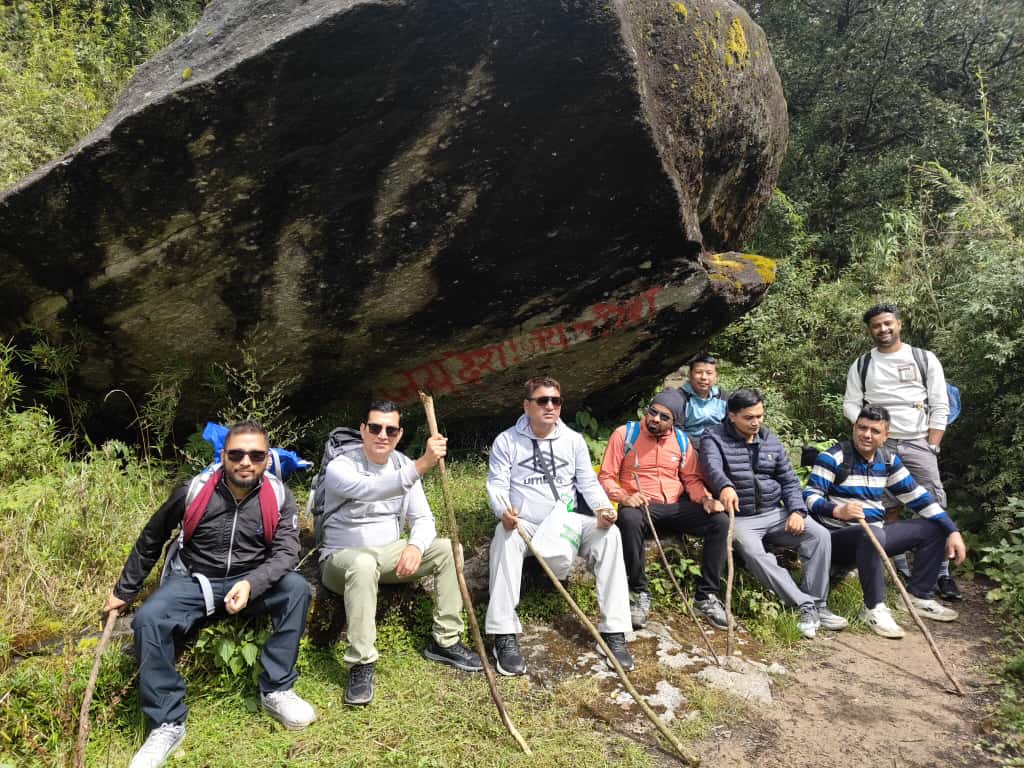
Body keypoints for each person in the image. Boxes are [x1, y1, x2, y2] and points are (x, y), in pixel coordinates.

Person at [103, 421, 315, 768]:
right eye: (237, 454)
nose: (245, 461)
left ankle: (277, 689)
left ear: (266, 459)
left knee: (296, 589)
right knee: (149, 619)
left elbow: (286, 552)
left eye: (256, 455)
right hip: (194, 581)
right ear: (223, 455)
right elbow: (152, 536)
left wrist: (252, 584)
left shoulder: (278, 495)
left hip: (250, 582)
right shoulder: (193, 490)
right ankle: (167, 722)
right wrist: (124, 590)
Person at [319, 400, 482, 706]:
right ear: (363, 430)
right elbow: (371, 490)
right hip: (342, 557)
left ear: (399, 434)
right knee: (363, 564)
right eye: (375, 428)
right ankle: (361, 662)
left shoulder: (401, 464)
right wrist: (422, 464)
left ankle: (445, 640)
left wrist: (415, 546)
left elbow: (423, 519)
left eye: (390, 430)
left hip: (387, 555)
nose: (383, 435)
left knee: (448, 549)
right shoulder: (340, 467)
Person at [485, 376, 633, 675]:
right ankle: (503, 633)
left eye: (556, 400)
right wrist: (504, 511)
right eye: (542, 400)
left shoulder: (573, 440)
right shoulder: (507, 441)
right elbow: (497, 485)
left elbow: (588, 483)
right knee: (504, 535)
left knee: (610, 535)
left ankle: (614, 632)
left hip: (566, 520)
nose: (550, 406)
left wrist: (604, 510)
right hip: (525, 523)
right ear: (527, 406)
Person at [804, 405, 965, 638]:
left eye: (875, 431)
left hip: (875, 534)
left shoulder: (888, 461)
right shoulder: (832, 458)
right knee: (871, 534)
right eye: (862, 428)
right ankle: (874, 608)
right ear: (854, 428)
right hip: (837, 539)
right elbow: (809, 497)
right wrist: (837, 510)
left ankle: (918, 595)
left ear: (886, 436)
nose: (867, 435)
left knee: (935, 527)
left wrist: (953, 530)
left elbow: (918, 497)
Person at [699, 389, 848, 639]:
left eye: (760, 416)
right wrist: (724, 486)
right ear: (732, 416)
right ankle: (803, 605)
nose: (756, 422)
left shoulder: (770, 440)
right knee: (754, 553)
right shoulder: (713, 437)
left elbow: (789, 481)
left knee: (819, 535)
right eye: (749, 417)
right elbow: (711, 467)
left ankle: (818, 605)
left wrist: (796, 511)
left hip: (774, 512)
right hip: (741, 517)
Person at [843, 303, 961, 601]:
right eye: (876, 326)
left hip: (918, 441)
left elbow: (940, 402)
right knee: (886, 507)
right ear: (870, 330)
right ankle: (900, 571)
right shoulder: (863, 364)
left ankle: (941, 573)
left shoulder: (923, 358)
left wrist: (932, 443)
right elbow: (851, 403)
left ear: (899, 324)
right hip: (880, 446)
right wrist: (870, 433)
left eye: (887, 323)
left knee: (933, 503)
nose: (883, 329)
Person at [599, 389, 730, 630]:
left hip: (675, 506)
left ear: (674, 422)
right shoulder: (625, 434)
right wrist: (624, 497)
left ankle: (706, 596)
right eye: (652, 412)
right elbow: (606, 476)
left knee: (720, 521)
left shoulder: (681, 440)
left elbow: (691, 478)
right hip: (641, 506)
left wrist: (705, 499)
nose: (655, 419)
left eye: (664, 417)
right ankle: (639, 592)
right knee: (628, 519)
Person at [675, 353, 728, 449]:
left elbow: (731, 425)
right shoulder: (679, 398)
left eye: (709, 373)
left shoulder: (723, 397)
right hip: (688, 447)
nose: (703, 377)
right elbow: (677, 430)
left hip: (719, 445)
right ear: (690, 375)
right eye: (698, 372)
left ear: (716, 376)